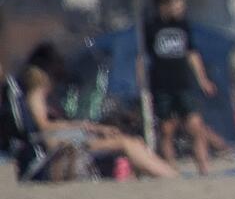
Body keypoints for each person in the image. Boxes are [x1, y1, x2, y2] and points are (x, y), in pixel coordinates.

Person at [18, 43, 179, 179]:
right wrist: (86, 127)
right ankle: (170, 177)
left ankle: (166, 174)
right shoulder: (36, 95)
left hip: (69, 140)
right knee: (126, 143)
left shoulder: (47, 97)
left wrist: (91, 128)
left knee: (131, 141)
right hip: (61, 145)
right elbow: (44, 126)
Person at [146, 0, 219, 176]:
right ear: (165, 5)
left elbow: (192, 54)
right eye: (178, 3)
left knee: (195, 125)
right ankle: (171, 168)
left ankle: (203, 166)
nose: (181, 7)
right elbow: (141, 57)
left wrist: (203, 80)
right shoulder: (150, 27)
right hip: (162, 84)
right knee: (167, 129)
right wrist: (142, 83)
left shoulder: (183, 26)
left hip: (183, 83)